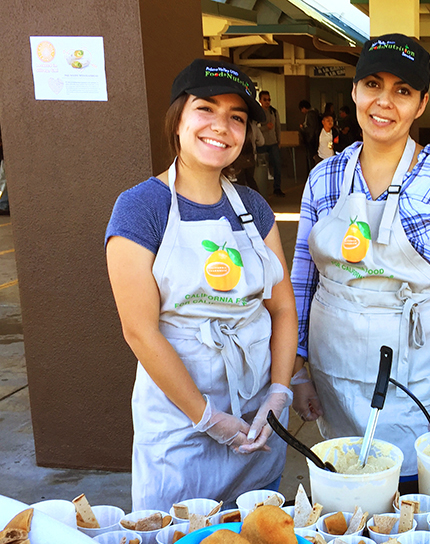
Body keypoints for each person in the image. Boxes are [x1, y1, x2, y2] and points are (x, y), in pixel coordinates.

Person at [105, 59, 297, 510]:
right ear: (178, 119)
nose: (221, 127)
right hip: (179, 425)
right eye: (206, 109)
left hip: (256, 420)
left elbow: (282, 308)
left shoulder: (253, 207)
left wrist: (279, 393)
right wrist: (208, 417)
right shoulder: (140, 209)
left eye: (237, 117)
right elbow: (140, 330)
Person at [289, 34, 430, 477]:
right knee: (343, 496)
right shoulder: (325, 178)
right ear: (355, 91)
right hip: (332, 371)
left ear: (421, 104)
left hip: (411, 378)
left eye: (402, 91)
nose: (384, 102)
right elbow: (303, 279)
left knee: (405, 492)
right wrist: (297, 367)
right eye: (373, 85)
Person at [257, 91, 285, 197]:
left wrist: (279, 140)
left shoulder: (274, 111)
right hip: (261, 143)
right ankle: (261, 189)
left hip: (273, 143)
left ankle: (277, 188)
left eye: (269, 99)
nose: (267, 102)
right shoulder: (258, 112)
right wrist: (265, 127)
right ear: (260, 101)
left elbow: (278, 127)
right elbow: (255, 128)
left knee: (277, 165)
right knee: (261, 168)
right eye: (265, 99)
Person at [299, 100, 321, 171]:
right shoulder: (316, 113)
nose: (302, 112)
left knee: (311, 159)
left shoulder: (310, 114)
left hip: (311, 140)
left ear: (304, 108)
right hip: (316, 139)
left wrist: (303, 128)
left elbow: (310, 128)